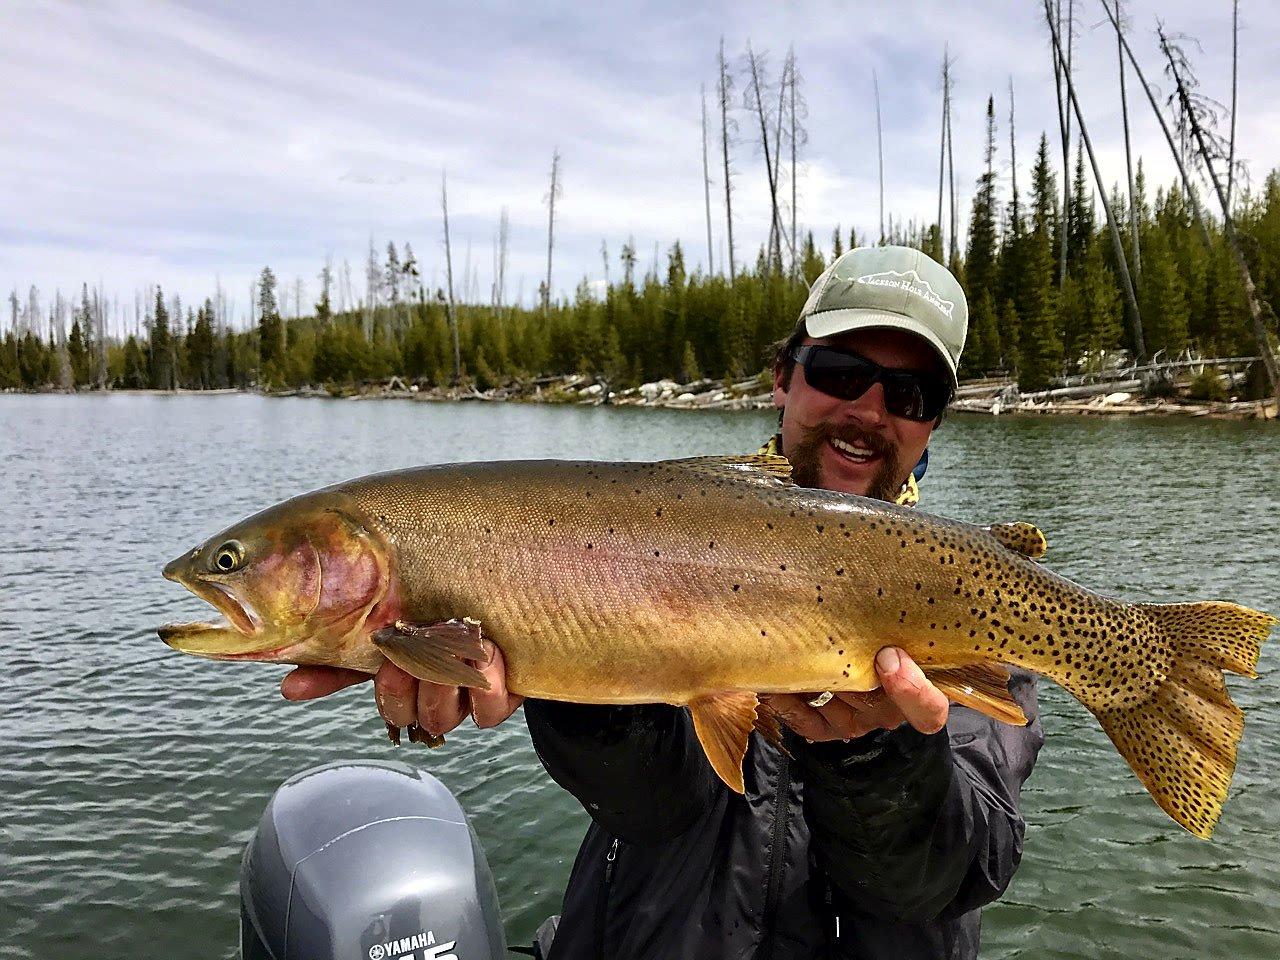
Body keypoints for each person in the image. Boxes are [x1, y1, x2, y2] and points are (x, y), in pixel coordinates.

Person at [283, 245, 1044, 959]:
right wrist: (580, 665)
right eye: (841, 372)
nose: (869, 410)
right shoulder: (648, 531)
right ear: (784, 376)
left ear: (933, 422)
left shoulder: (967, 594)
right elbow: (654, 810)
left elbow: (951, 877)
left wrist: (879, 752)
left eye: (909, 393)